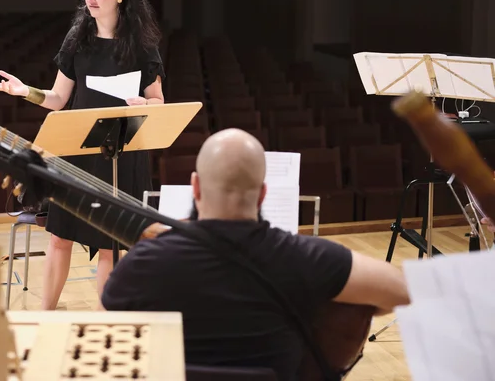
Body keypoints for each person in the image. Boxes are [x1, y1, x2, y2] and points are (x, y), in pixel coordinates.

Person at [101, 128, 410, 380]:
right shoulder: (305, 258)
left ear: (195, 187)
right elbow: (402, 292)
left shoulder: (143, 262)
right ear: (263, 192)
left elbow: (105, 350)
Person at [0, 0, 165, 309]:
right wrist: (25, 91)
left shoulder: (142, 45)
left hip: (122, 154)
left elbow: (158, 101)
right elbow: (57, 98)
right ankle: (44, 315)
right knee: (58, 238)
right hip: (77, 153)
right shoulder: (78, 38)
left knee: (109, 245)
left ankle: (104, 323)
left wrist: (144, 106)